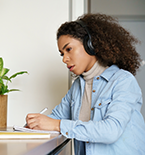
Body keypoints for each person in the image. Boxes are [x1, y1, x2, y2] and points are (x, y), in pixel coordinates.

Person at [26, 13, 145, 155]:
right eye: (62, 54)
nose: (64, 59)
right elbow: (56, 117)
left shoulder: (123, 81)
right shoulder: (78, 86)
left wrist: (57, 125)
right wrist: (35, 123)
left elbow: (111, 131)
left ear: (90, 45)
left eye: (68, 49)